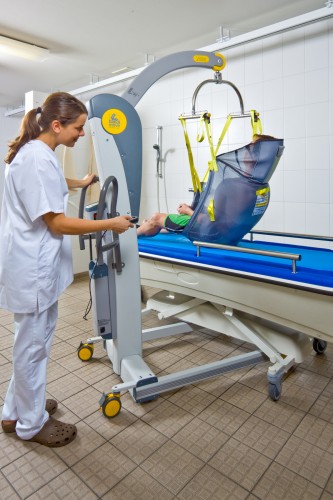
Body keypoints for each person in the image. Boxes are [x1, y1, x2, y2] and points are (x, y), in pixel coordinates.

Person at [0, 92, 134, 448]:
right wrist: (110, 224)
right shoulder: (37, 161)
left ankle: (15, 411)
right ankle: (30, 423)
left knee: (30, 344)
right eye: (77, 128)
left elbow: (49, 188)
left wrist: (82, 181)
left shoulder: (35, 154)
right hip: (33, 271)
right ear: (56, 126)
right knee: (32, 348)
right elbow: (57, 223)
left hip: (33, 267)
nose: (80, 135)